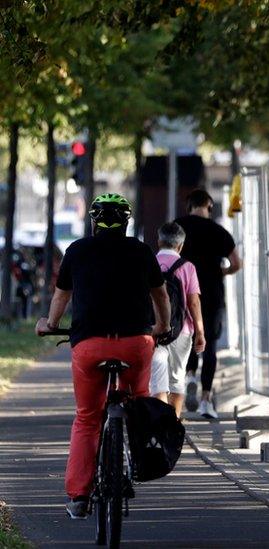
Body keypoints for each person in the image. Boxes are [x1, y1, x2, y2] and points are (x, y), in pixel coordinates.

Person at [36, 193, 170, 520]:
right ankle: (136, 463)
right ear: (126, 222)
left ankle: (79, 496)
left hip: (89, 344)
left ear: (94, 221)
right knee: (138, 400)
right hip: (135, 343)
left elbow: (61, 296)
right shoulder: (141, 251)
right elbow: (161, 296)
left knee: (87, 417)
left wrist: (50, 325)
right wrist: (162, 326)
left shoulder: (77, 251)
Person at [175, 189, 241, 419]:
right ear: (210, 206)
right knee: (209, 343)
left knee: (187, 338)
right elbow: (236, 263)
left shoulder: (178, 227)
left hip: (182, 293)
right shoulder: (219, 232)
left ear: (189, 206)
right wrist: (221, 271)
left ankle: (190, 374)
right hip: (211, 293)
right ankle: (205, 400)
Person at [149, 222, 205, 418]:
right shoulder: (187, 267)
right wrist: (200, 332)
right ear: (180, 245)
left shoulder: (149, 264)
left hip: (153, 329)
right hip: (181, 330)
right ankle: (173, 428)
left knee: (157, 380)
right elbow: (193, 302)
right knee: (177, 379)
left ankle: (158, 428)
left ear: (159, 241)